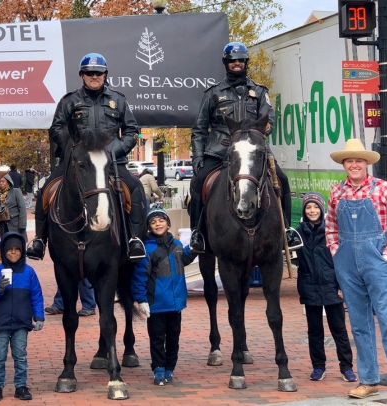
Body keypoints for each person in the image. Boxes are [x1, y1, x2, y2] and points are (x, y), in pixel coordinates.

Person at [27, 53, 147, 261]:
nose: (95, 76)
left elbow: (132, 131)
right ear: (82, 75)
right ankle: (40, 239)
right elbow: (57, 128)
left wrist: (113, 151)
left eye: (99, 73)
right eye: (90, 73)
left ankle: (134, 238)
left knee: (135, 187)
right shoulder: (69, 101)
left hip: (111, 162)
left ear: (105, 75)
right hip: (77, 162)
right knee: (46, 189)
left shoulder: (118, 100)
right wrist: (76, 149)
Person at [325, 139, 387, 405]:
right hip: (347, 263)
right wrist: (336, 252)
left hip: (378, 263)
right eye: (349, 161)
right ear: (344, 164)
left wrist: (386, 255)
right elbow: (330, 226)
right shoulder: (336, 192)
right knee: (360, 326)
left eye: (358, 161)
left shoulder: (384, 189)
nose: (354, 165)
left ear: (366, 163)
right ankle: (368, 381)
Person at [188, 41, 291, 253]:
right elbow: (199, 129)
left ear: (246, 62)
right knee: (198, 183)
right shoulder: (213, 94)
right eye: (232, 60)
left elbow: (268, 122)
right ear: (225, 63)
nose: (237, 63)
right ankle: (197, 234)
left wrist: (255, 138)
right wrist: (198, 157)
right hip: (219, 151)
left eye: (240, 60)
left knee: (282, 180)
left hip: (254, 151)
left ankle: (287, 231)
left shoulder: (260, 93)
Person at [132, 207, 197, 386]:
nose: (158, 224)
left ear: (168, 223)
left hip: (175, 304)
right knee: (157, 338)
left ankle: (170, 368)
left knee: (174, 337)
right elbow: (140, 277)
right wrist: (141, 299)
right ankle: (158, 369)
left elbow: (184, 258)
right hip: (156, 304)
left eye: (161, 221)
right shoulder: (148, 250)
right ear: (149, 227)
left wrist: (194, 249)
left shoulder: (177, 245)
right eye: (153, 222)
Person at [295, 191, 355, 383]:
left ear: (322, 209)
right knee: (314, 330)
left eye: (315, 207)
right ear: (304, 211)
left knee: (339, 329)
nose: (312, 211)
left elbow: (342, 260)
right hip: (309, 286)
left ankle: (346, 367)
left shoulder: (332, 232)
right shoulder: (297, 234)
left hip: (332, 286)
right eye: (308, 207)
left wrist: (341, 285)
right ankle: (318, 366)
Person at [0, 232, 44, 401]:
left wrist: (39, 317)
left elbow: (36, 295)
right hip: (1, 322)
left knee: (20, 355)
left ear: (22, 251)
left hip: (22, 322)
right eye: (10, 250)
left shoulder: (29, 272)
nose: (14, 253)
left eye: (17, 250)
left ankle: (21, 386)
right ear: (4, 251)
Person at [0, 174, 28, 242]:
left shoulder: (16, 191)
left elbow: (22, 208)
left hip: (16, 226)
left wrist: (22, 225)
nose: (1, 183)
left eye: (3, 181)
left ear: (8, 182)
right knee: (6, 247)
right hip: (3, 226)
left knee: (18, 246)